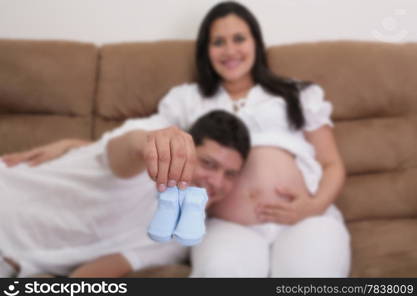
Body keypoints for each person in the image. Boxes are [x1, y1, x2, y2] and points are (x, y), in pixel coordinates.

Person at [3, 1, 351, 277]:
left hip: (304, 216)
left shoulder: (295, 93)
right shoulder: (188, 99)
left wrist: (313, 205)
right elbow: (147, 141)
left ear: (256, 43)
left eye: (239, 38)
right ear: (206, 49)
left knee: (311, 278)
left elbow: (332, 163)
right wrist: (75, 146)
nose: (230, 50)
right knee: (221, 274)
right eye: (219, 41)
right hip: (228, 225)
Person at [0, 110, 250, 278]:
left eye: (230, 174)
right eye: (208, 163)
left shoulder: (178, 238)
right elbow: (130, 147)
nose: (216, 181)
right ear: (187, 149)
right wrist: (156, 143)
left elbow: (100, 270)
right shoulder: (145, 154)